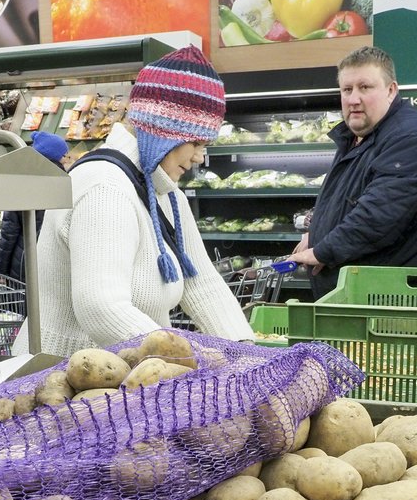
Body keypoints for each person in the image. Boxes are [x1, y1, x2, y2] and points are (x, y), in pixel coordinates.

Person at [35, 46, 254, 357]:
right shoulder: (105, 187)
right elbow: (101, 307)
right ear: (163, 133)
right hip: (69, 378)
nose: (199, 157)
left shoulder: (165, 194)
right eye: (194, 141)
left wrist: (244, 354)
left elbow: (201, 284)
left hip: (131, 375)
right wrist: (187, 361)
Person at [291, 45, 417, 299]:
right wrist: (316, 233)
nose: (353, 99)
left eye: (365, 87)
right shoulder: (358, 136)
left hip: (392, 304)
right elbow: (347, 200)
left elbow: (379, 215)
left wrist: (323, 251)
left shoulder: (410, 138)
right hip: (360, 298)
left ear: (391, 90)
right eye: (347, 89)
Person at [0, 131, 68, 283]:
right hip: (54, 260)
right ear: (57, 156)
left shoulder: (22, 182)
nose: (66, 159)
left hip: (24, 261)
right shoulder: (66, 183)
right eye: (65, 155)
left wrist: (1, 270)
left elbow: (9, 232)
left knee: (23, 304)